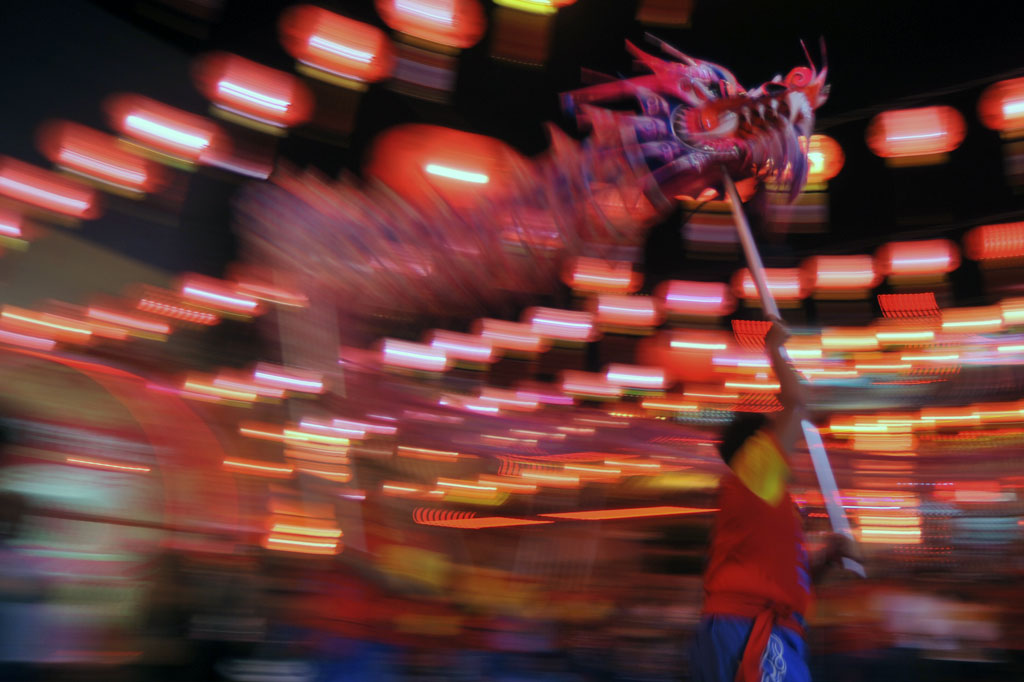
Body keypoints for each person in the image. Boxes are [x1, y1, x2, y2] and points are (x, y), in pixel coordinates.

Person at [689, 321, 858, 682]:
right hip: (751, 627)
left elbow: (791, 584)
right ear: (759, 445)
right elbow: (797, 403)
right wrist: (775, 350)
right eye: (773, 430)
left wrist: (829, 558)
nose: (787, 440)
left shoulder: (766, 498)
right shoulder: (753, 474)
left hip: (759, 629)